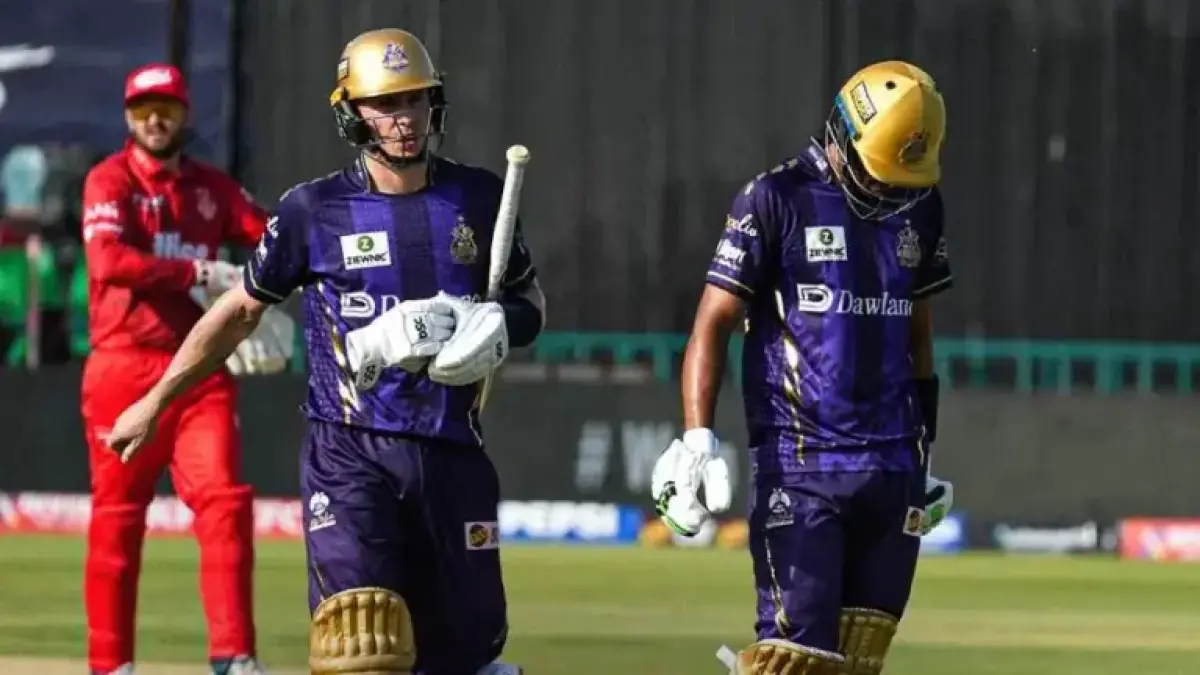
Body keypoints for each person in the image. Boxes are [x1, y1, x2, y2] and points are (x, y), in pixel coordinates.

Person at [106, 29, 545, 675]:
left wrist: (498, 325)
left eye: (415, 100)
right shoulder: (312, 210)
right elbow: (239, 311)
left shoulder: (478, 198)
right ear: (351, 113)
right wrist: (155, 401)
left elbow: (529, 299)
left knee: (469, 658)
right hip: (350, 456)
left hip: (454, 451)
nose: (404, 119)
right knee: (361, 642)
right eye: (385, 104)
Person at [651, 60, 957, 675]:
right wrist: (696, 439)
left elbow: (918, 337)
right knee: (792, 663)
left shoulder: (920, 204)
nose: (889, 192)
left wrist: (924, 451)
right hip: (802, 466)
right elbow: (712, 321)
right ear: (842, 133)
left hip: (891, 467)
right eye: (878, 174)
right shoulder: (775, 198)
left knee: (860, 660)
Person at [80, 62, 290, 675]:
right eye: (144, 109)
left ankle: (234, 658)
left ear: (183, 114)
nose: (155, 119)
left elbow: (275, 235)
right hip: (122, 367)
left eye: (167, 108)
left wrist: (268, 285)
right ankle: (110, 665)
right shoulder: (109, 180)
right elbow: (108, 262)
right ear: (128, 116)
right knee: (118, 520)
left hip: (198, 371)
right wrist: (198, 271)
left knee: (225, 503)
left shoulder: (211, 187)